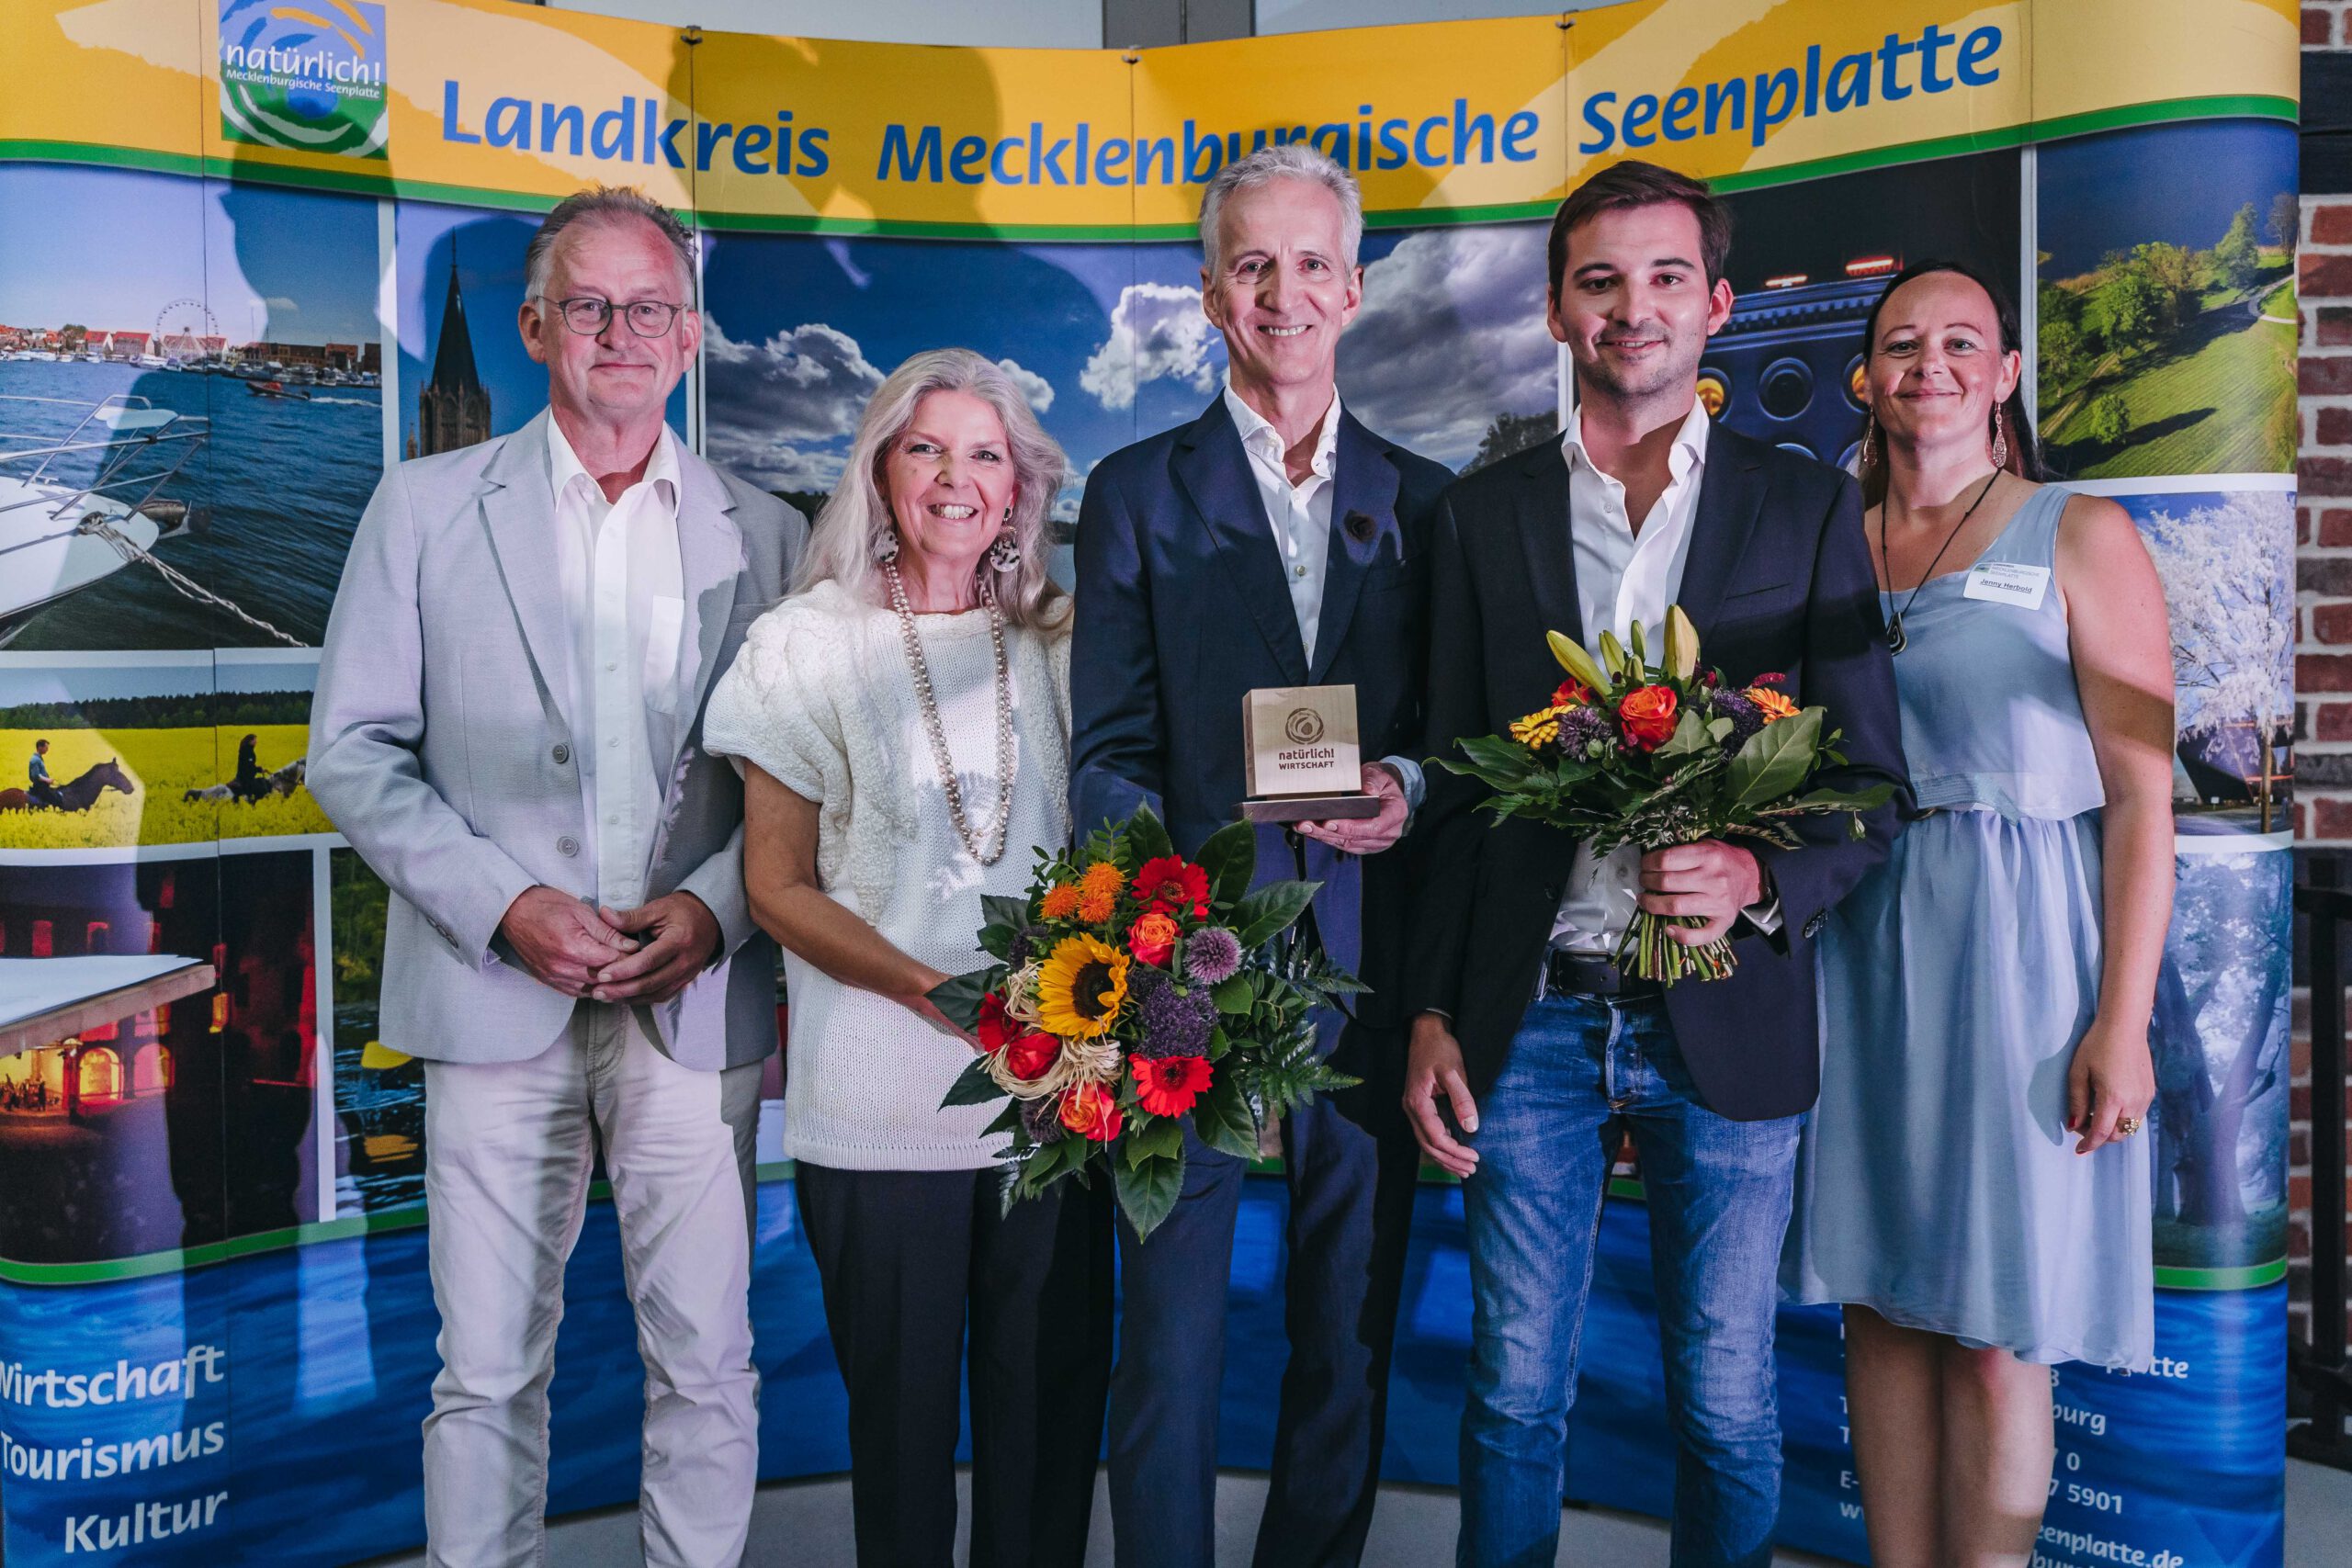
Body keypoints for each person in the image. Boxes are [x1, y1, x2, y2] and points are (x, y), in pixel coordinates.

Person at [1400, 159, 1909, 1568]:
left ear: (1718, 304)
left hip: (1730, 1014)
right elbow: (1454, 788)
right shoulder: (1480, 516)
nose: (1635, 306)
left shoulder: (1804, 508)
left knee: (1728, 1401)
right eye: (1602, 280)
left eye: (1667, 276)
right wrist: (1433, 1006)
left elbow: (1871, 783)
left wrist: (1760, 877)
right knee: (1512, 1394)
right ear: (1557, 310)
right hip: (1531, 1017)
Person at [308, 185, 805, 1568]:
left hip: (691, 1007)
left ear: (691, 334)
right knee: (482, 1372)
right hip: (490, 997)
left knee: (708, 1363)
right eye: (589, 304)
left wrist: (714, 909)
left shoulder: (768, 535)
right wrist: (504, 904)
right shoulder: (421, 508)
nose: (621, 331)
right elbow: (350, 750)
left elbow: (805, 785)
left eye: (650, 307)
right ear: (535, 328)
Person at [1069, 143, 1453, 1568]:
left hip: (1372, 958)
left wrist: (1408, 786)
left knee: (1346, 1328)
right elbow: (1108, 744)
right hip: (1184, 966)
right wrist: (1162, 922)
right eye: (1251, 265)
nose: (1282, 293)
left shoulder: (1429, 500)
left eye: (1309, 264)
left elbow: (1457, 734)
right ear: (1211, 293)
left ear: (1352, 288)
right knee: (1167, 1340)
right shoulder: (1134, 491)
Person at [1781, 259, 2171, 1568]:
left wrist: (2123, 1020)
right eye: (1902, 343)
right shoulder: (1825, 540)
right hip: (1859, 948)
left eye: (1962, 342)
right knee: (1880, 1305)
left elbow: (2142, 794)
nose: (1930, 365)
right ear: (1865, 378)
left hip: (2024, 959)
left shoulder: (2078, 531)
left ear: (2005, 371)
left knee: (2001, 1329)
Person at [702, 348, 1111, 1566]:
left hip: (1054, 1100)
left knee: (1045, 1435)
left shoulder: (1067, 638)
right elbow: (775, 886)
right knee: (899, 1438)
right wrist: (939, 993)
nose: (953, 477)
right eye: (925, 448)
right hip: (878, 1106)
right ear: (880, 470)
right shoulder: (804, 642)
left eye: (984, 454)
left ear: (1020, 485)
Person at [27, 739, 62, 809]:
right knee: (57, 800)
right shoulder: (35, 760)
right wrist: (47, 780)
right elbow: (36, 775)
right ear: (40, 747)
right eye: (46, 748)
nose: (47, 749)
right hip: (40, 787)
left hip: (43, 786)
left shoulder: (38, 758)